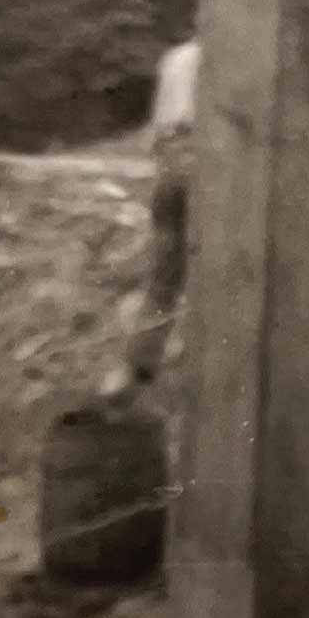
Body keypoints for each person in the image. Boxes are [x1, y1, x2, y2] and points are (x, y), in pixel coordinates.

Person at [113, 37, 199, 392]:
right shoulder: (224, 59)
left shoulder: (175, 57)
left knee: (163, 271)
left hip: (169, 158)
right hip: (200, 155)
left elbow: (155, 127)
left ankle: (136, 367)